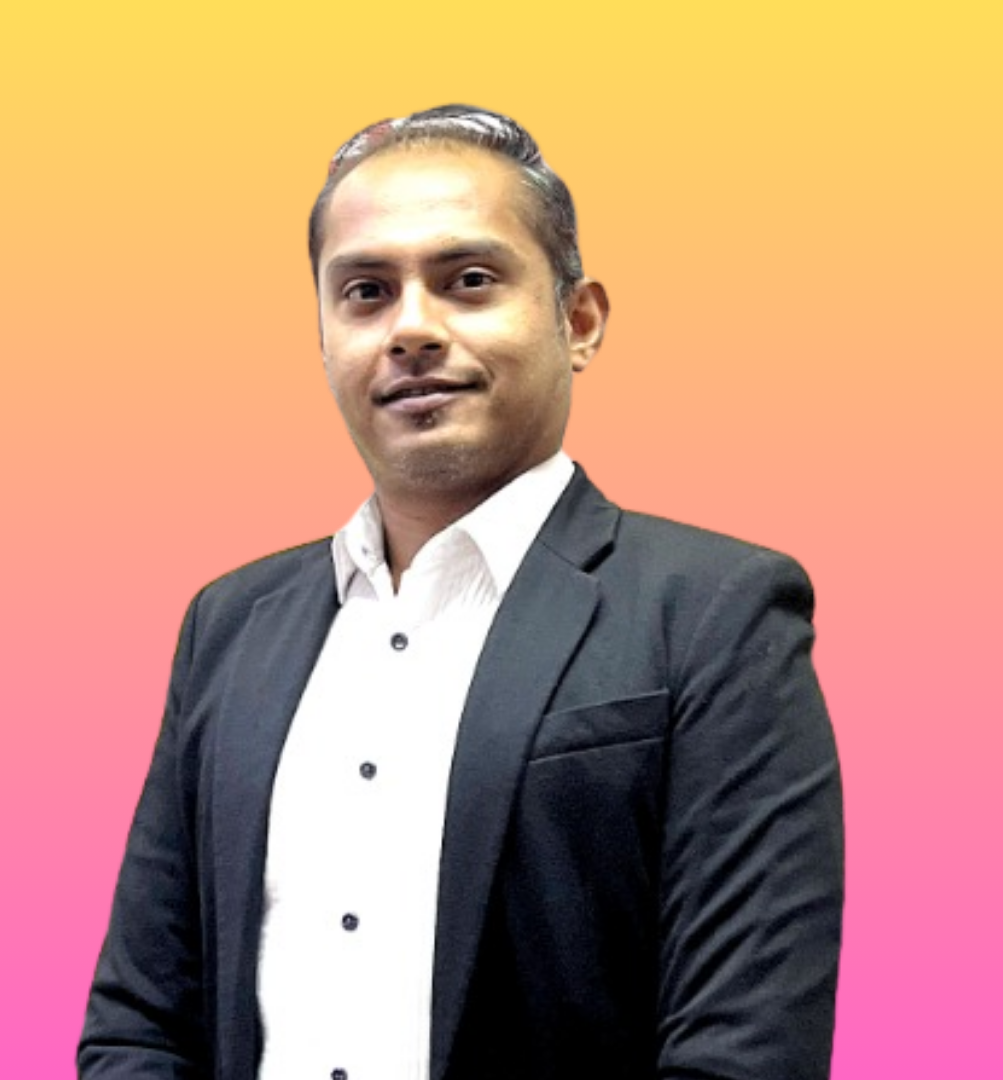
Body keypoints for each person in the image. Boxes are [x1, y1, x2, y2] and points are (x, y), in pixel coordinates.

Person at [78, 105, 844, 1080]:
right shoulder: (230, 626)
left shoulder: (712, 613)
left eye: (468, 281)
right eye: (365, 292)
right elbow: (140, 1022)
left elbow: (747, 1048)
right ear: (324, 340)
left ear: (578, 321)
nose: (410, 329)